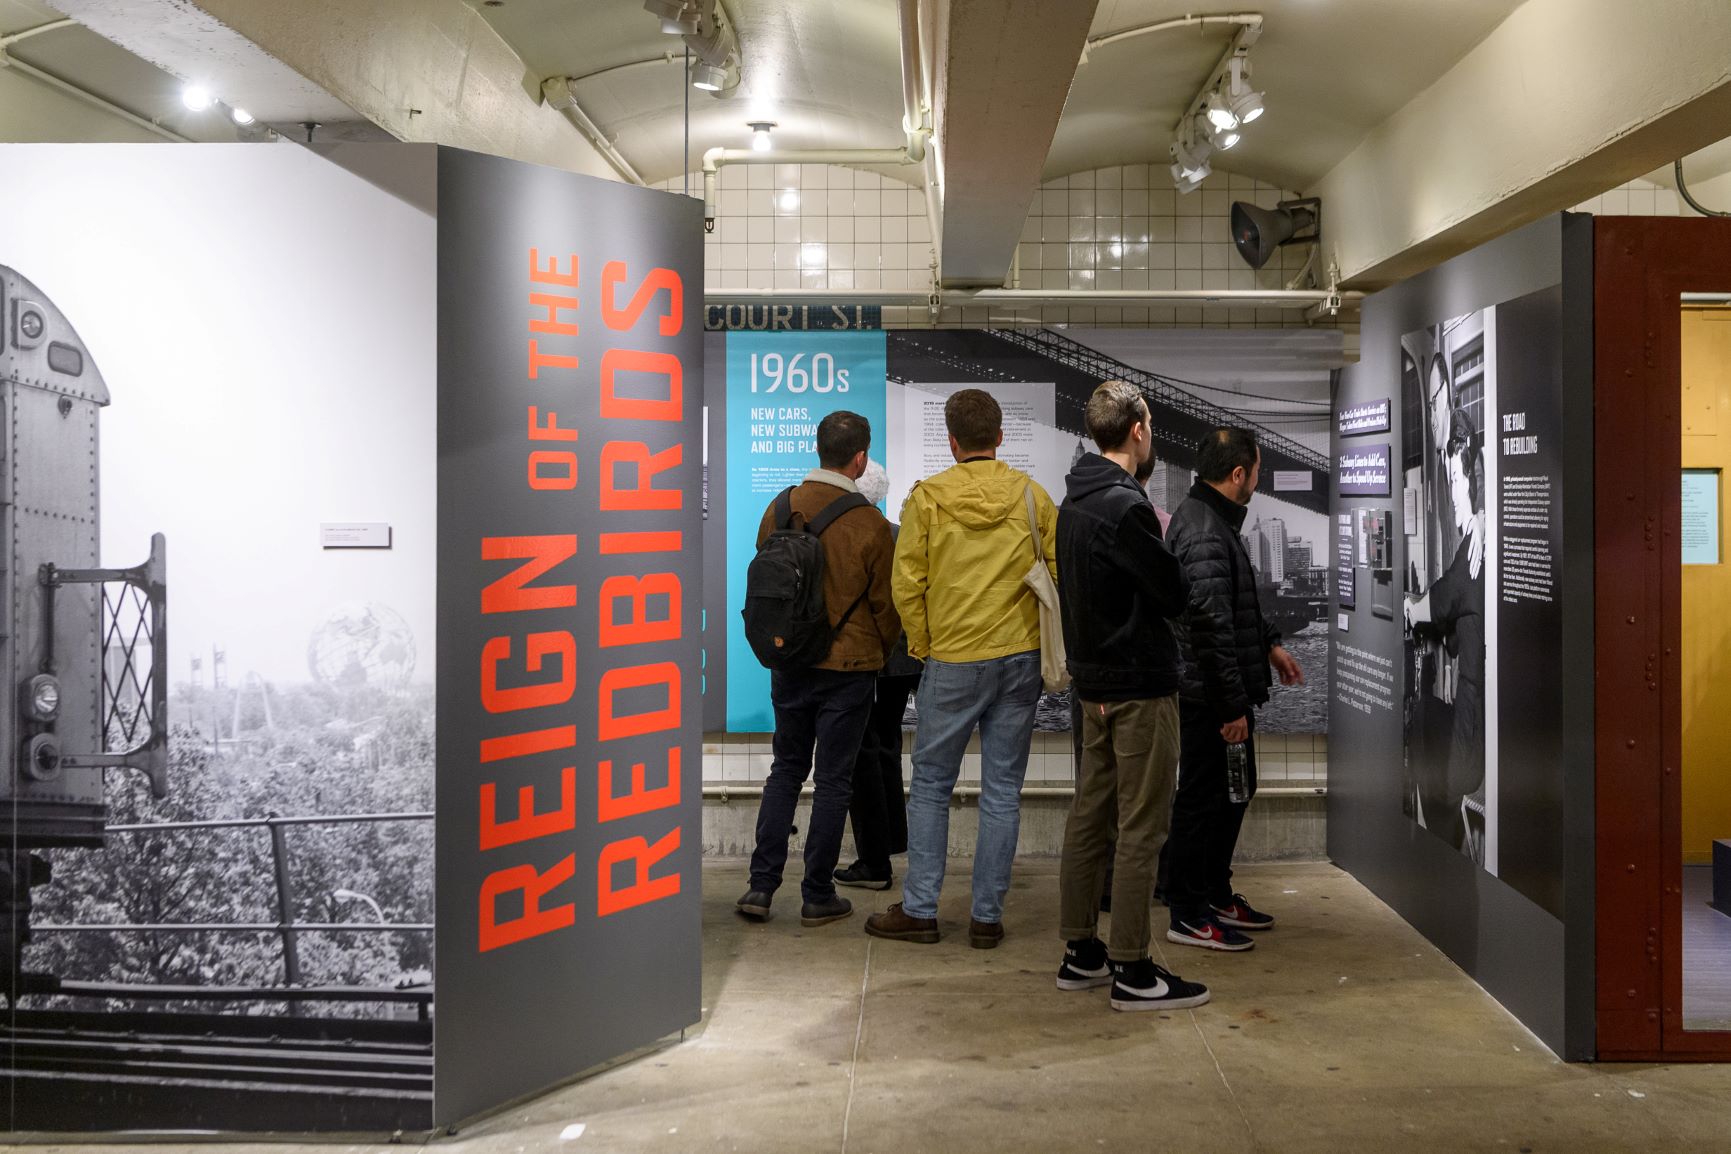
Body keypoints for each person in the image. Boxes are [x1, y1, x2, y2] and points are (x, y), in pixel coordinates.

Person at [864, 388, 1057, 949]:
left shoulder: (926, 500)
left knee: (929, 787)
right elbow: (1057, 577)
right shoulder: (1032, 497)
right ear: (1000, 437)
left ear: (951, 441)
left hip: (951, 658)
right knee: (1002, 791)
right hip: (1019, 661)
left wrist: (925, 645)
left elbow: (908, 584)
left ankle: (921, 909)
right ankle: (987, 917)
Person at [1053, 382, 1209, 1012]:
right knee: (1143, 827)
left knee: (1089, 817)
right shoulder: (1126, 506)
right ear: (1139, 430)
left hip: (1092, 686)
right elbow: (1172, 593)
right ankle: (1134, 969)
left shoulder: (1074, 500)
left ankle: (1080, 951)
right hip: (1139, 687)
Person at [736, 412, 901, 928]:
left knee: (785, 770)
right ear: (859, 458)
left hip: (788, 662)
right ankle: (817, 894)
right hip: (848, 670)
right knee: (833, 781)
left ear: (819, 449)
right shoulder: (870, 522)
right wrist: (882, 650)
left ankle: (760, 888)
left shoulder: (780, 506)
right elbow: (885, 608)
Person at [1163, 428, 1304, 952]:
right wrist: (1230, 706)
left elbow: (1233, 602)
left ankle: (1215, 894)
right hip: (1208, 698)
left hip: (1219, 691)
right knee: (1201, 801)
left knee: (1234, 793)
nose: (1259, 481)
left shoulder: (1213, 520)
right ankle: (1186, 911)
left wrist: (1269, 646)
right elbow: (1208, 625)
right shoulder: (1202, 530)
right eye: (1258, 470)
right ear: (1239, 474)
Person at [835, 461, 922, 890]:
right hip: (908, 661)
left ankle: (874, 859)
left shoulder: (856, 535)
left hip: (873, 660)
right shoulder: (898, 534)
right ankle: (892, 841)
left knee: (863, 755)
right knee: (886, 747)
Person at [1404, 409, 1485, 857]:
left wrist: (1409, 608)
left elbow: (1439, 602)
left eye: (1459, 478)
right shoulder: (1479, 536)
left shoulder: (1475, 544)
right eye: (1450, 479)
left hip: (1472, 714)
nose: (1456, 490)